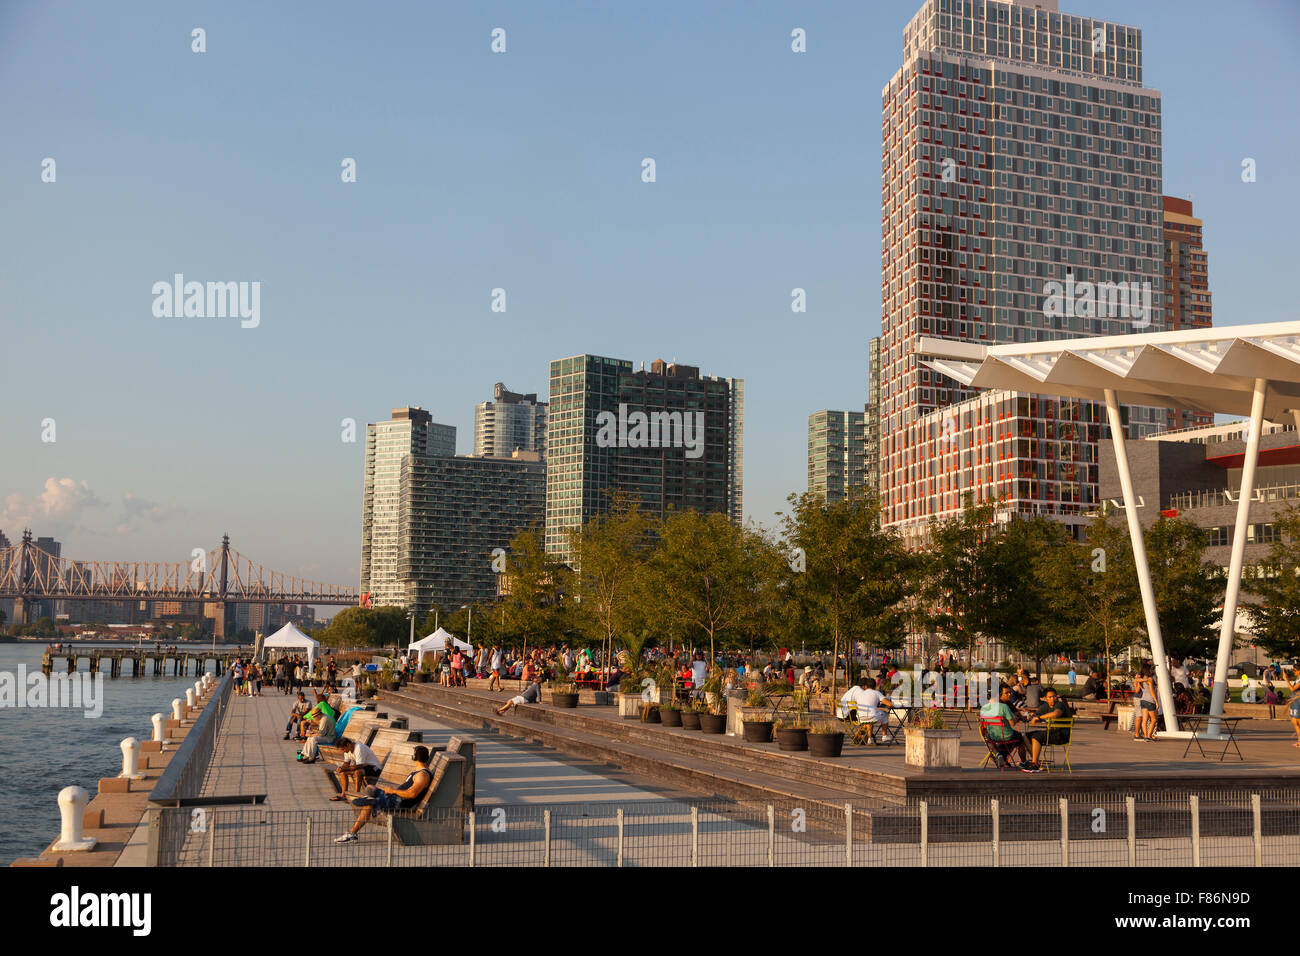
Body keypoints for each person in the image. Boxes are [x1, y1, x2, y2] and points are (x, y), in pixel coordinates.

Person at [334, 746, 434, 844]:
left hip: (399, 802)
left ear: (414, 757)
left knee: (369, 804)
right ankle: (373, 804)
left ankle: (352, 833)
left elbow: (412, 794)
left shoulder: (422, 775)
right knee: (370, 788)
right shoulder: (419, 772)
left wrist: (393, 791)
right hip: (394, 797)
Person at [980, 683, 1035, 771]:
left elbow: (983, 725)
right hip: (1006, 736)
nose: (1010, 694)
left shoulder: (984, 708)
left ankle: (998, 755)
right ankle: (1025, 762)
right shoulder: (1004, 707)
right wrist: (1016, 718)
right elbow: (1012, 723)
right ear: (999, 695)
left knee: (1013, 738)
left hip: (992, 737)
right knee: (1022, 737)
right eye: (1007, 693)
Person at [1023, 688, 1071, 766]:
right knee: (1025, 736)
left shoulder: (1059, 704)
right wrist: (1030, 715)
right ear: (1045, 698)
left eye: (1054, 696)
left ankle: (1034, 764)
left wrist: (1039, 718)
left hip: (1061, 735)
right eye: (1050, 697)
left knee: (1036, 736)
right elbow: (1037, 715)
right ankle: (1035, 761)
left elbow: (1055, 714)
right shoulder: (1045, 706)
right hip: (1052, 733)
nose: (1053, 699)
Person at [1133, 662, 1158, 742]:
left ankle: (1146, 736)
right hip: (1150, 700)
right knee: (1153, 719)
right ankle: (1149, 736)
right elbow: (1152, 692)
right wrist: (1156, 701)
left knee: (1144, 720)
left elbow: (1136, 689)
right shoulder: (1149, 679)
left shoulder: (1141, 679)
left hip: (1143, 700)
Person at [1286, 668, 1300, 747]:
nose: (1294, 671)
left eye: (1295, 670)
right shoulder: (1297, 679)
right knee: (1295, 722)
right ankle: (1299, 741)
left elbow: (1292, 689)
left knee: (1297, 722)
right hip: (1295, 702)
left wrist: (1286, 679)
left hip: (1298, 703)